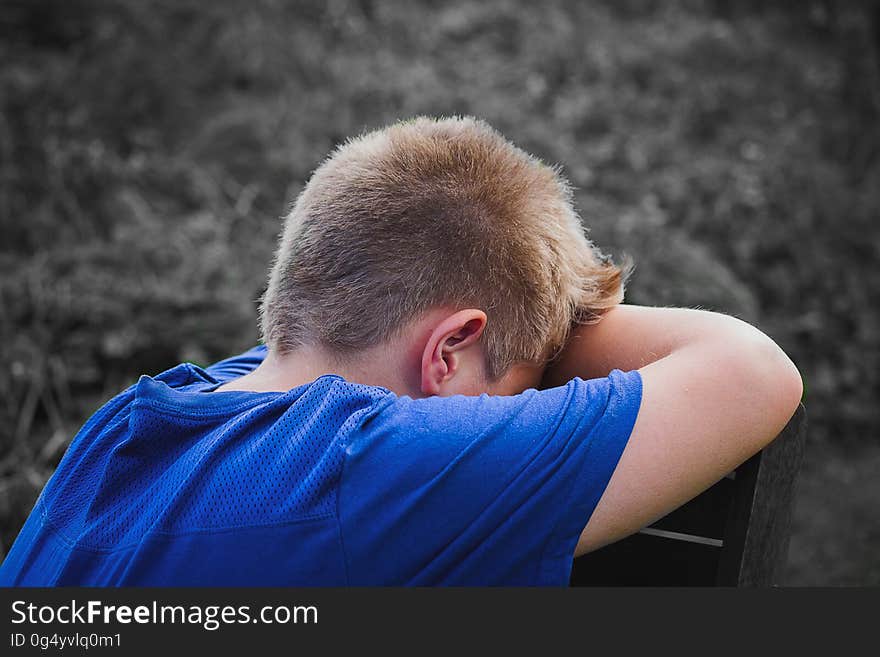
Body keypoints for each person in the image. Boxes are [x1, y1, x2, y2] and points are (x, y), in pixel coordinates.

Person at [0, 117, 802, 586]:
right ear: (450, 349)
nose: (514, 414)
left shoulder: (125, 426)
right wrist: (563, 318)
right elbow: (754, 371)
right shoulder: (372, 465)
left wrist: (527, 323)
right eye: (518, 391)